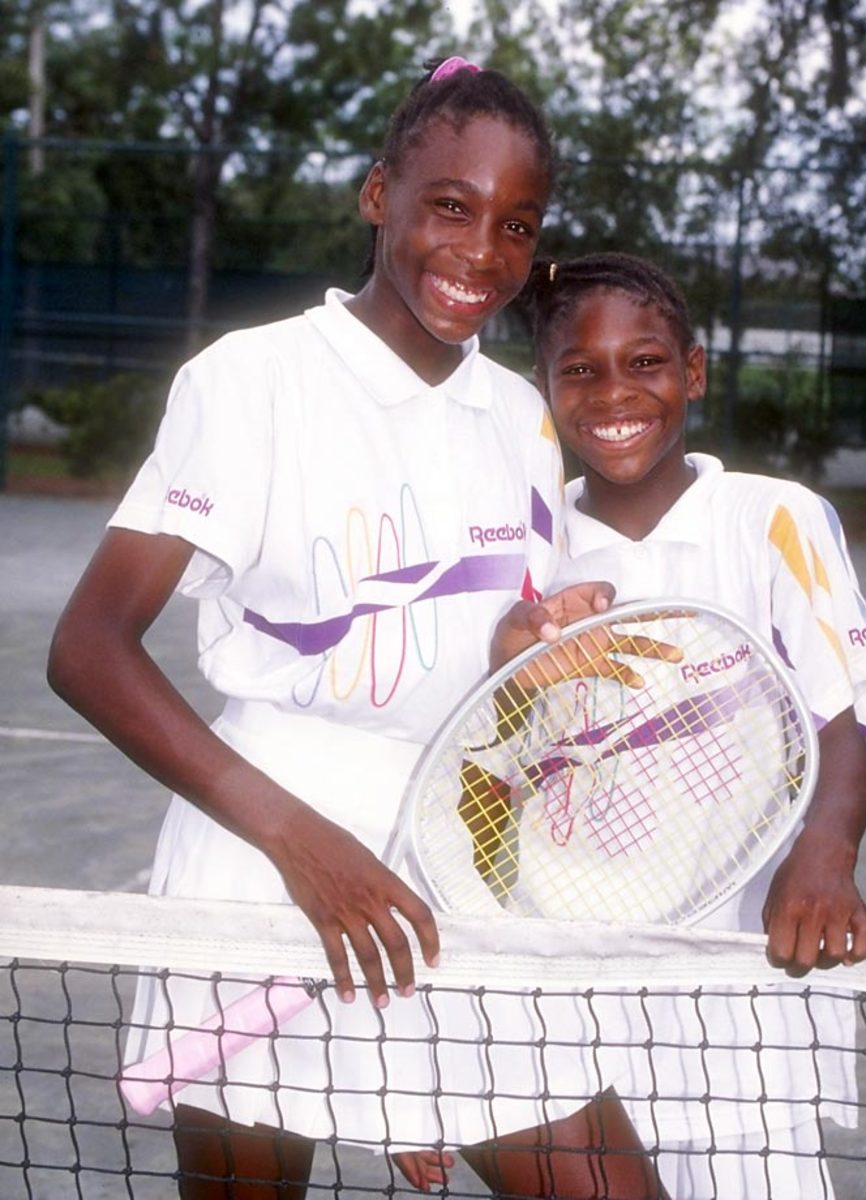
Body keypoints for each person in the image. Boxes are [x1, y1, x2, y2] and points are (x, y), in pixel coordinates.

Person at [47, 60, 661, 1200]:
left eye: (516, 225)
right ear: (378, 194)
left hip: (454, 871)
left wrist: (531, 642)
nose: (482, 251)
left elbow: (488, 662)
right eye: (450, 205)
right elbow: (87, 648)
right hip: (259, 869)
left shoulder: (522, 417)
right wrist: (303, 845)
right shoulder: (252, 380)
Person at [505, 250, 866, 1198]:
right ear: (543, 389)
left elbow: (840, 730)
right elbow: (495, 765)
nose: (612, 393)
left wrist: (825, 856)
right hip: (571, 975)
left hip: (739, 978)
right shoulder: (526, 543)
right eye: (578, 370)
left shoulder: (773, 519)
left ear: (694, 369)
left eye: (643, 362)